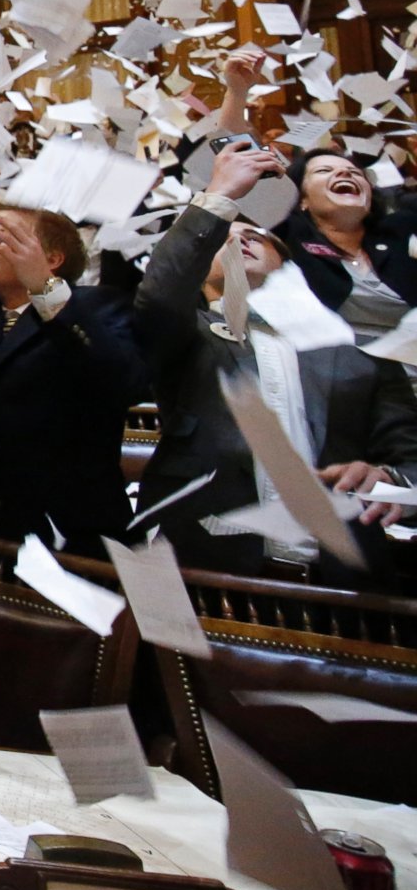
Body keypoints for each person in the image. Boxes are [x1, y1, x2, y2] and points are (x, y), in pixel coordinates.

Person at [132, 144, 416, 584]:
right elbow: (160, 292)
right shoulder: (186, 336)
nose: (238, 237)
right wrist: (219, 195)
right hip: (200, 568)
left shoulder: (362, 358)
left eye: (254, 235)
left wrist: (388, 477)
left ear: (285, 261)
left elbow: (410, 461)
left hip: (344, 583)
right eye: (223, 237)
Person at [0, 204, 146, 546]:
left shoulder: (99, 306)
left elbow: (118, 378)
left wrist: (44, 287)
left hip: (62, 527)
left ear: (52, 258)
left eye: (4, 237)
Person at [283, 146, 417, 348]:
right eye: (323, 171)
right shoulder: (287, 237)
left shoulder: (401, 229)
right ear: (302, 199)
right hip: (344, 371)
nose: (344, 173)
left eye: (355, 173)